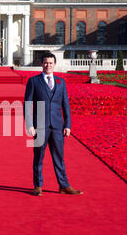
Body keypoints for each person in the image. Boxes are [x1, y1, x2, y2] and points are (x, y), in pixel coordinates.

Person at [24, 51, 83, 196]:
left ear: (54, 65)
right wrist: (29, 124)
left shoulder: (60, 82)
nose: (48, 65)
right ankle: (38, 186)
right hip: (40, 126)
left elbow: (66, 105)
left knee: (59, 157)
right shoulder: (33, 81)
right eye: (45, 62)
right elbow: (27, 104)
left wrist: (68, 125)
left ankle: (63, 185)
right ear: (41, 64)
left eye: (50, 63)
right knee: (38, 157)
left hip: (57, 126)